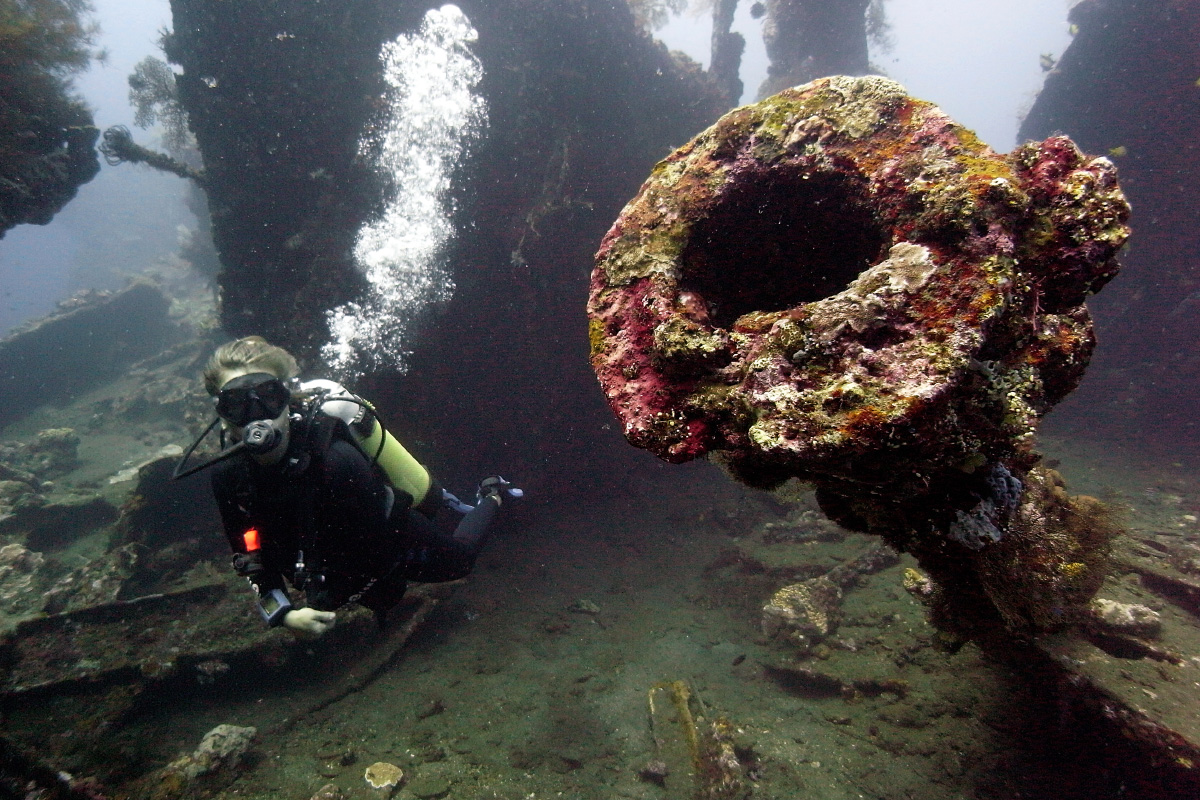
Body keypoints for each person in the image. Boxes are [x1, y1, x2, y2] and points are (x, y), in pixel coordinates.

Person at [177, 336, 520, 637]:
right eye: (236, 404)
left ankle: (493, 493)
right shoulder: (228, 476)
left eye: (269, 397)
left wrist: (351, 592)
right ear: (222, 415)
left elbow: (378, 548)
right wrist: (282, 614)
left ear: (289, 398)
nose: (257, 417)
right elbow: (250, 556)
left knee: (459, 562)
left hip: (390, 533)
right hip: (329, 564)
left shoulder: (337, 461)